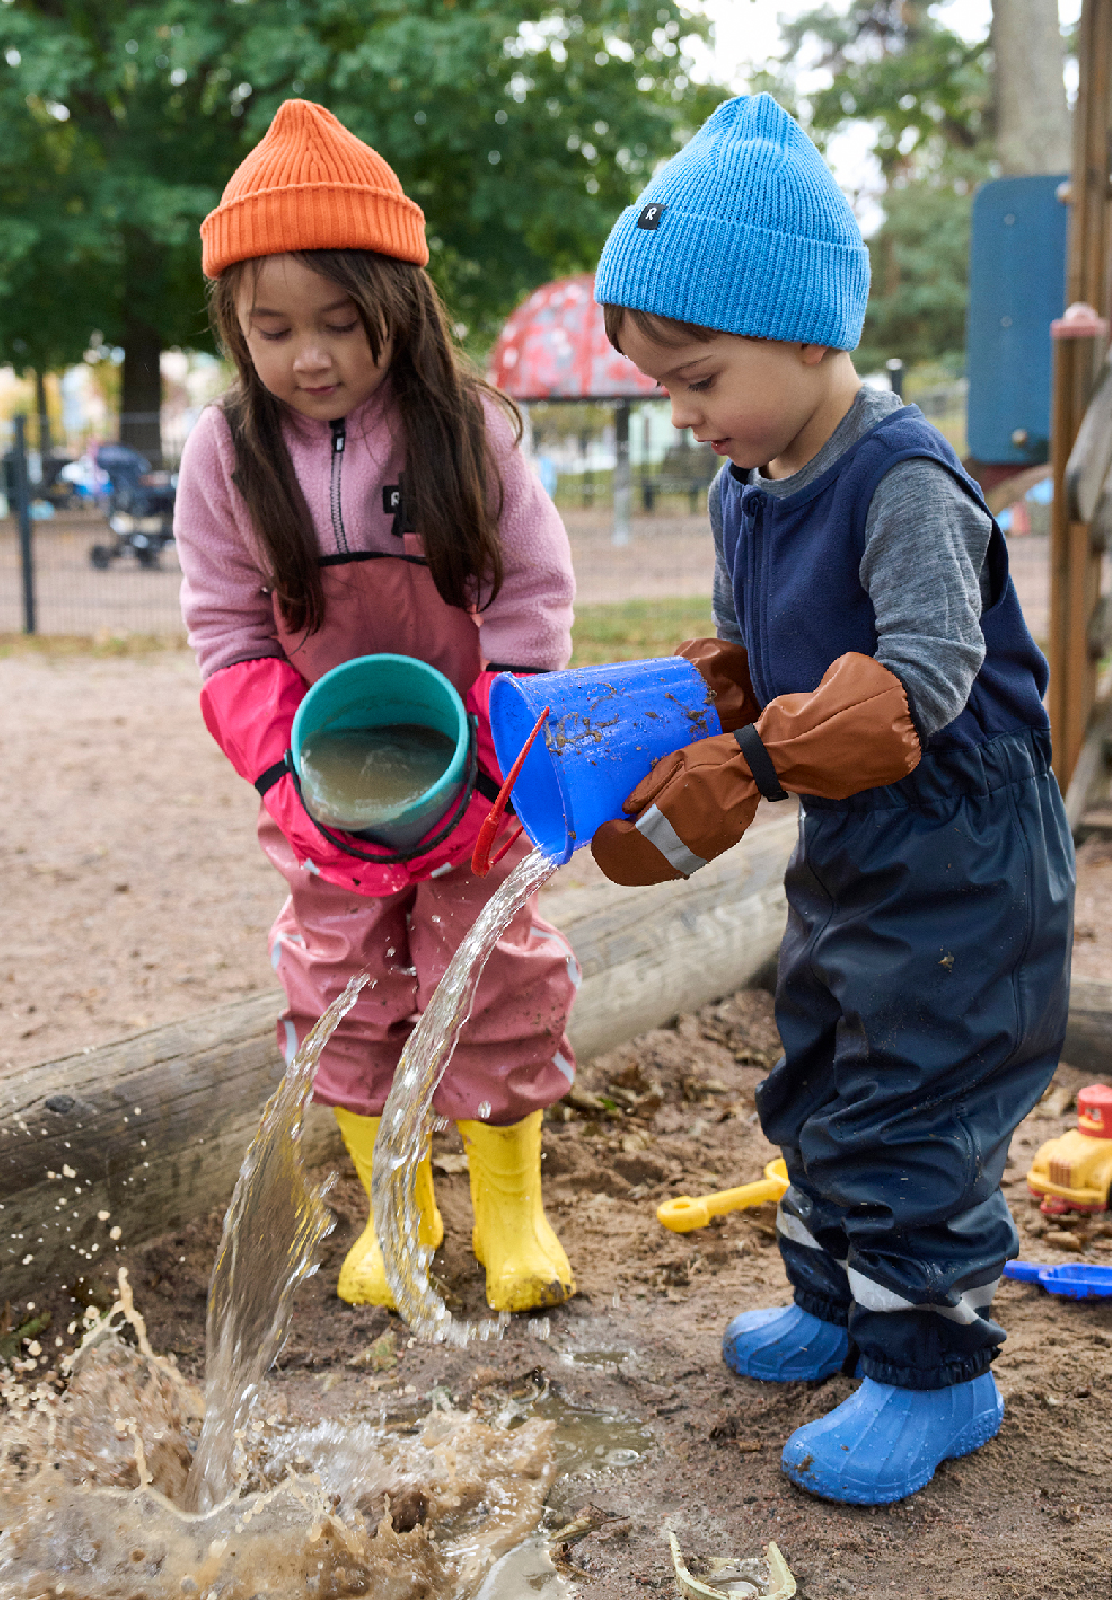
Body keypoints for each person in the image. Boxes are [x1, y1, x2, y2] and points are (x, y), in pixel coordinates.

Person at [589, 94, 1074, 1506]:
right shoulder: (752, 478)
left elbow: (915, 684)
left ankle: (936, 1373)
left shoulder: (904, 479)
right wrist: (702, 701)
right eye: (661, 389)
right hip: (857, 846)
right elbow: (763, 653)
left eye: (696, 377)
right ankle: (835, 1299)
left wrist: (750, 761)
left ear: (807, 333)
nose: (682, 416)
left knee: (913, 1105)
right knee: (819, 1066)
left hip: (968, 858)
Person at [175, 99, 579, 1316]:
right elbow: (227, 633)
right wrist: (283, 775)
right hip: (323, 775)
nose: (310, 358)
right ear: (235, 329)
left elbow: (531, 604)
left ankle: (510, 1213)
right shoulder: (226, 454)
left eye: (340, 324)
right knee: (338, 978)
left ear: (397, 303)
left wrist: (494, 760)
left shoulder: (472, 434)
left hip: (480, 764)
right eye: (273, 329)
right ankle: (393, 1212)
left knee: (495, 967)